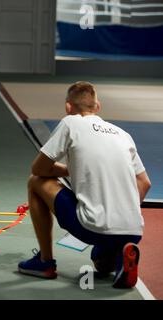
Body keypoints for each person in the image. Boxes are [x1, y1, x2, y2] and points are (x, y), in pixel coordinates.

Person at [18, 81, 151, 288]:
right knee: (101, 264)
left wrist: (69, 169)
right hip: (133, 230)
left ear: (68, 107)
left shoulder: (71, 122)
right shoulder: (123, 135)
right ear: (97, 107)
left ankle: (45, 262)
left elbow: (39, 169)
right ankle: (118, 255)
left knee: (35, 182)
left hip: (92, 226)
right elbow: (144, 183)